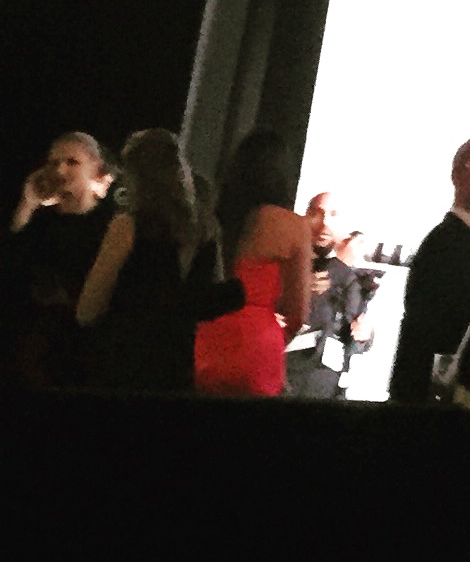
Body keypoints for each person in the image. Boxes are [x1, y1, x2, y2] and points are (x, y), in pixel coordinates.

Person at [74, 126, 243, 389]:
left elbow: (88, 310)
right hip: (177, 365)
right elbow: (211, 291)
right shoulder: (206, 228)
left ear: (135, 176)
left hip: (125, 364)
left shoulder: (127, 226)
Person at [388, 133, 470, 402]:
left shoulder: (461, 242)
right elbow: (429, 337)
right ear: (457, 175)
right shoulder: (444, 245)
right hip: (436, 408)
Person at [195, 126, 312, 396]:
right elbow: (298, 312)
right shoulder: (291, 226)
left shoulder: (212, 218)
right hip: (257, 345)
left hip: (205, 339)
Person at [5, 130, 115, 387]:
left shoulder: (109, 225)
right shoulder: (41, 223)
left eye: (72, 162)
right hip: (37, 345)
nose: (60, 170)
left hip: (88, 346)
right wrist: (27, 204)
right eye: (53, 163)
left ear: (94, 167)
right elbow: (11, 263)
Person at [287, 191, 379, 397]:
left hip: (329, 389)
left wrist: (365, 336)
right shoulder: (289, 262)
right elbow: (301, 317)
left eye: (334, 214)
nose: (325, 222)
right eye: (316, 213)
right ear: (304, 218)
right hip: (288, 384)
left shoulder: (354, 275)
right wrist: (339, 266)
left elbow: (352, 332)